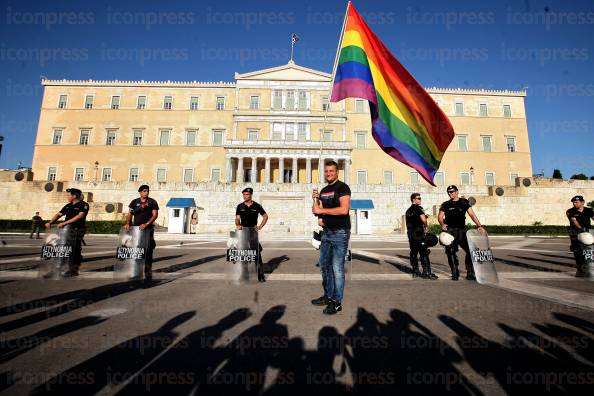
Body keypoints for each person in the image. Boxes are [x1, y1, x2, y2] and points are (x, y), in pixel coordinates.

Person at [311, 160, 351, 315]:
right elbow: (318, 211)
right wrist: (315, 199)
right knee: (324, 266)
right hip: (326, 232)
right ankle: (328, 296)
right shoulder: (324, 190)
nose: (328, 174)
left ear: (337, 172)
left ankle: (337, 302)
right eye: (326, 171)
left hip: (340, 232)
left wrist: (323, 211)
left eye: (331, 171)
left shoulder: (342, 187)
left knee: (337, 269)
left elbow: (343, 210)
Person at [438, 185, 485, 281]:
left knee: (470, 250)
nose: (450, 193)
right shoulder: (446, 204)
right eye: (449, 192)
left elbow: (472, 214)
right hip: (449, 231)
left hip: (462, 231)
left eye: (452, 191)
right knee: (450, 252)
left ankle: (470, 272)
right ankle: (455, 273)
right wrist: (442, 223)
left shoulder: (464, 202)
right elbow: (440, 216)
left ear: (457, 192)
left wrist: (479, 226)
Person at [45, 188, 89, 277]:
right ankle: (57, 269)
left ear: (74, 196)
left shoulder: (83, 204)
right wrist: (50, 222)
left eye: (68, 195)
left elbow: (80, 216)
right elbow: (59, 214)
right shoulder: (68, 205)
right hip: (66, 230)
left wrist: (65, 223)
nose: (67, 197)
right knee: (62, 249)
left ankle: (73, 270)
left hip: (77, 230)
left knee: (75, 250)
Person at [124, 185, 159, 281]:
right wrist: (128, 223)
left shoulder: (152, 202)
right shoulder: (134, 202)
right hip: (136, 230)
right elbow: (130, 214)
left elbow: (155, 215)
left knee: (148, 251)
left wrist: (146, 224)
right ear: (140, 192)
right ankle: (136, 272)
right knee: (137, 251)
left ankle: (148, 273)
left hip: (148, 229)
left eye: (147, 191)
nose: (146, 192)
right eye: (144, 191)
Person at [235, 187, 268, 282]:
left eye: (247, 194)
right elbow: (237, 218)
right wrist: (238, 224)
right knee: (244, 253)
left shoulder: (257, 206)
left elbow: (265, 216)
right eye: (244, 195)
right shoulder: (240, 206)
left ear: (251, 195)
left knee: (257, 254)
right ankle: (244, 274)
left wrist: (260, 226)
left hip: (253, 231)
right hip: (243, 230)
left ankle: (260, 275)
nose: (245, 196)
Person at [405, 193, 438, 280]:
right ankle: (426, 273)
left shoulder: (408, 211)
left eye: (420, 198)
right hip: (418, 233)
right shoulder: (419, 208)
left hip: (411, 234)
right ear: (413, 200)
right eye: (418, 198)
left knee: (414, 252)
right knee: (423, 252)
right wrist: (426, 226)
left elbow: (409, 223)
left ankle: (415, 271)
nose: (420, 200)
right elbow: (423, 219)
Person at [566, 195, 594, 277]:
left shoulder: (589, 210)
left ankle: (588, 267)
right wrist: (581, 228)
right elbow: (574, 221)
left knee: (588, 249)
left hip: (588, 232)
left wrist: (586, 230)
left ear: (582, 202)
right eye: (573, 202)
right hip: (574, 231)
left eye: (576, 202)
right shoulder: (570, 211)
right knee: (577, 250)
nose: (574, 204)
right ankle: (580, 268)